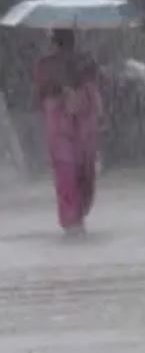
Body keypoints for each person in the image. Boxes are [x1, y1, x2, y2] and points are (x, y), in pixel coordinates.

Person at [33, 29, 103, 237]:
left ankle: (72, 217)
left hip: (65, 122)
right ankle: (76, 214)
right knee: (80, 169)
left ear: (54, 42)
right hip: (76, 123)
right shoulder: (81, 62)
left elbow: (38, 95)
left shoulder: (55, 65)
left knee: (68, 170)